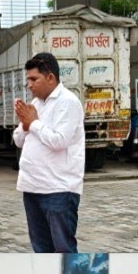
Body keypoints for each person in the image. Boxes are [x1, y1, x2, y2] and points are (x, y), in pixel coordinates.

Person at [13, 51, 84, 253]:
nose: (29, 84)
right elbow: (17, 140)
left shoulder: (68, 102)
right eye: (28, 79)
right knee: (41, 249)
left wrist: (33, 123)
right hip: (32, 187)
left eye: (34, 79)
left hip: (58, 189)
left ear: (50, 78)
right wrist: (26, 125)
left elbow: (59, 141)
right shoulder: (35, 104)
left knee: (63, 249)